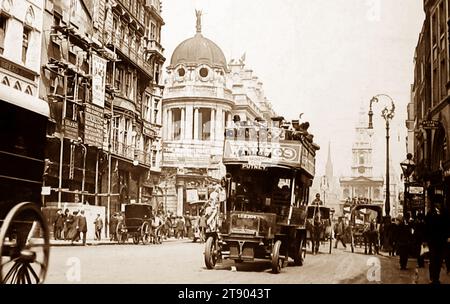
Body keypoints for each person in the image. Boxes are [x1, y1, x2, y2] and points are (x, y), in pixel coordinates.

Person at [425, 199, 450, 284]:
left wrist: (447, 237)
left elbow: (447, 226)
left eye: (439, 203)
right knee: (433, 260)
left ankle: (436, 278)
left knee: (438, 260)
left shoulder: (445, 214)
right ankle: (432, 277)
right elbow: (427, 227)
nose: (438, 205)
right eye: (436, 203)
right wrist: (426, 239)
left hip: (441, 241)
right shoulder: (430, 214)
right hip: (432, 241)